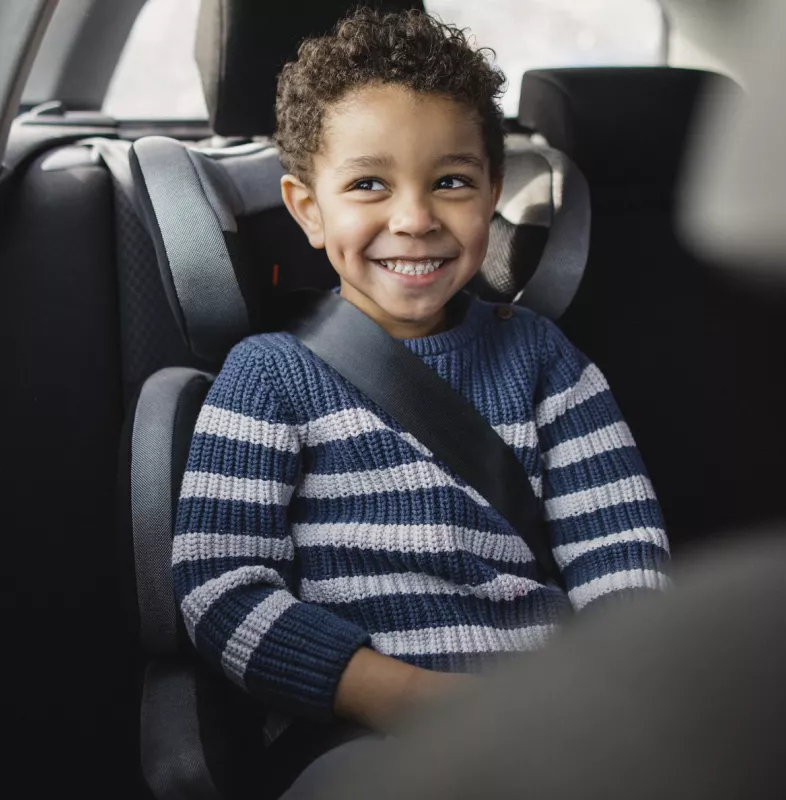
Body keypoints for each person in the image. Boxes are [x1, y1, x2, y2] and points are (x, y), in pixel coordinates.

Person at [171, 6, 670, 793]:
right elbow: (222, 590)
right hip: (358, 732)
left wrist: (598, 696)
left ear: (491, 192)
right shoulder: (267, 377)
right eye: (369, 184)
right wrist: (416, 699)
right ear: (308, 207)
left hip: (549, 719)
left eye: (451, 182)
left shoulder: (548, 364)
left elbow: (623, 563)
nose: (413, 219)